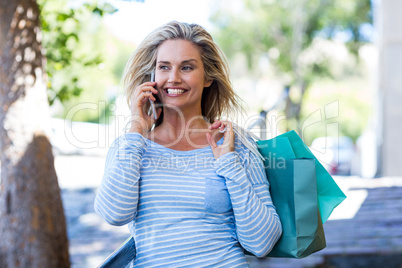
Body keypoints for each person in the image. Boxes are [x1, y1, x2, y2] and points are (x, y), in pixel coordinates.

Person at [94, 21, 282, 267]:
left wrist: (229, 163)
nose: (173, 78)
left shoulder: (236, 144)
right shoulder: (131, 145)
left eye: (187, 67)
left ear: (207, 78)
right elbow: (113, 214)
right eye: (164, 67)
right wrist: (136, 130)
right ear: (152, 77)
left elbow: (261, 243)